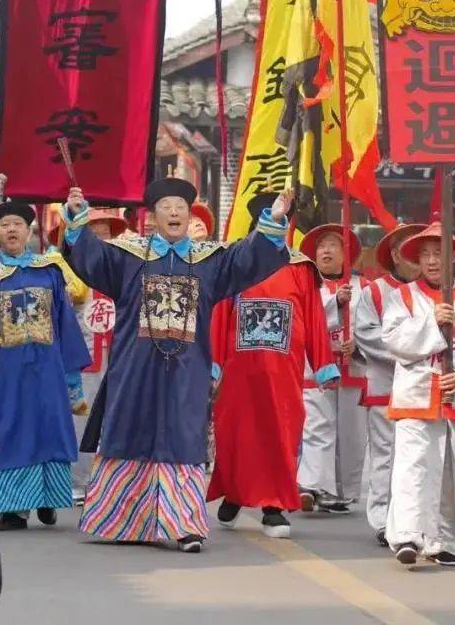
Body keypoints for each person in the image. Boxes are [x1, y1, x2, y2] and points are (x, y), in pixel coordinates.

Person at [64, 178, 292, 553]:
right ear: (152, 216)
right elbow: (91, 258)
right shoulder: (127, 257)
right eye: (167, 207)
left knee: (184, 436)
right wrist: (76, 218)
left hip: (187, 368)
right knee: (130, 430)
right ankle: (125, 519)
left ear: (189, 214)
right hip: (134, 366)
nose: (174, 212)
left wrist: (273, 221)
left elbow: (248, 257)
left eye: (181, 207)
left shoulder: (209, 261)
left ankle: (184, 523)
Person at [207, 193, 338, 539]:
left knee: (280, 433)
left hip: (283, 371)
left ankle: (274, 506)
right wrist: (214, 364)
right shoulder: (237, 261)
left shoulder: (300, 268)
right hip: (239, 370)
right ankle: (234, 493)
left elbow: (313, 317)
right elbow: (220, 314)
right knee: (235, 432)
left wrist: (323, 365)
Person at [0, 199, 91, 531]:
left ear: (29, 228)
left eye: (17, 223)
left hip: (46, 367)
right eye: (5, 225)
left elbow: (64, 321)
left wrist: (71, 375)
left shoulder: (49, 270)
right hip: (4, 370)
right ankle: (11, 509)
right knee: (7, 430)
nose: (12, 229)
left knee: (48, 428)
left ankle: (47, 498)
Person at [380, 222, 455, 566]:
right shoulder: (402, 297)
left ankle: (447, 540)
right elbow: (395, 341)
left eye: (440, 253)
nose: (433, 261)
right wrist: (432, 323)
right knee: (413, 465)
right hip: (416, 394)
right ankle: (407, 535)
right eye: (427, 254)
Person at [48, 208, 130, 505]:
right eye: (92, 230)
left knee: (119, 414)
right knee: (82, 414)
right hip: (84, 351)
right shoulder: (63, 266)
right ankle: (79, 481)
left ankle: (115, 482)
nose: (100, 236)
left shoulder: (123, 262)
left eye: (105, 230)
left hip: (121, 350)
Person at [354, 221, 425, 547]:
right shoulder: (375, 292)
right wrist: (409, 354)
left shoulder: (435, 292)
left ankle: (415, 519)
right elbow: (366, 334)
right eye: (408, 251)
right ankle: (383, 518)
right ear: (395, 255)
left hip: (424, 389)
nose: (415, 258)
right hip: (386, 385)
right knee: (386, 455)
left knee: (419, 458)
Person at [297, 223, 368, 514]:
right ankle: (313, 486)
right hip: (318, 368)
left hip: (353, 368)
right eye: (321, 246)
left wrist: (358, 345)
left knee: (351, 433)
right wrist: (334, 302)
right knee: (318, 425)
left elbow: (373, 324)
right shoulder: (308, 285)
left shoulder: (363, 288)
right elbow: (304, 321)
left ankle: (342, 492)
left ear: (346, 254)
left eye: (333, 245)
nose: (326, 250)